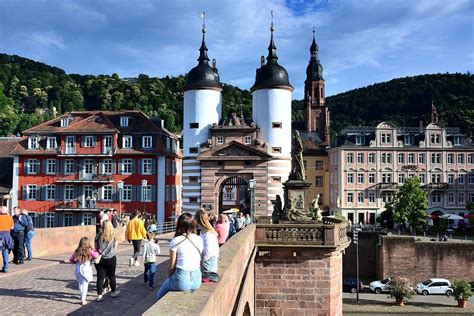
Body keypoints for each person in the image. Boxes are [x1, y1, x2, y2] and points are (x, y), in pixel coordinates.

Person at [156, 213, 203, 300]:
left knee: (159, 295)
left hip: (182, 280)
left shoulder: (176, 241)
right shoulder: (199, 239)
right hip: (197, 280)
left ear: (179, 225)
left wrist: (169, 278)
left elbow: (172, 266)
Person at [94, 220, 120, 301]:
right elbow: (115, 249)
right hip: (111, 258)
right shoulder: (113, 235)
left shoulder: (98, 235)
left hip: (100, 259)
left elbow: (96, 247)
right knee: (112, 275)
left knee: (100, 277)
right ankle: (113, 292)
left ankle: (99, 295)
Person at [69, 237, 99, 305]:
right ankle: (83, 299)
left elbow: (70, 260)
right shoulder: (89, 250)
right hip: (85, 269)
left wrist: (76, 262)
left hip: (78, 268)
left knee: (80, 284)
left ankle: (81, 296)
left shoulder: (77, 251)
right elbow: (96, 255)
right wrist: (94, 249)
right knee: (85, 285)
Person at [195, 209, 219, 274]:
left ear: (197, 220)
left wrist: (200, 264)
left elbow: (208, 253)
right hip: (207, 262)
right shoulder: (203, 232)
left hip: (208, 265)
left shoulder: (208, 234)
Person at [0, 206, 14, 273]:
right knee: (5, 252)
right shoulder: (10, 217)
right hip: (6, 236)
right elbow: (12, 227)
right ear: (6, 211)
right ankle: (6, 268)